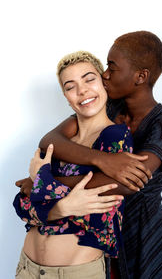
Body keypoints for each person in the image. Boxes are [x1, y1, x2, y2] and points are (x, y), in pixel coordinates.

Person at [17, 31, 162, 279]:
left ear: (140, 76)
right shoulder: (106, 106)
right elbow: (50, 140)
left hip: (146, 235)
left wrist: (43, 181)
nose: (105, 74)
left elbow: (127, 182)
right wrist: (102, 159)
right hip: (102, 231)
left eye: (112, 67)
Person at [13, 51, 137, 279]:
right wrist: (64, 207)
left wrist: (44, 187)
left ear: (103, 83)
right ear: (66, 96)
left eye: (89, 79)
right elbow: (22, 203)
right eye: (70, 86)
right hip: (27, 269)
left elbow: (101, 210)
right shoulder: (59, 144)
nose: (82, 91)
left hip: (76, 273)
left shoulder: (115, 137)